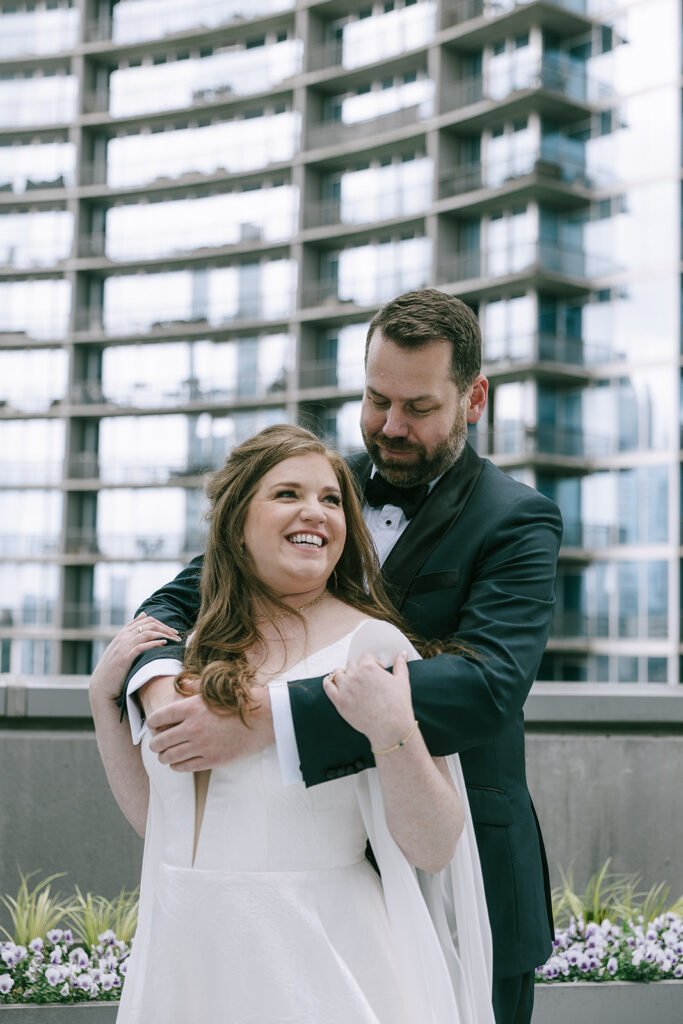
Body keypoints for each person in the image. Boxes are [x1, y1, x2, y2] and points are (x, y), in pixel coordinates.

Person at [122, 288, 563, 1024]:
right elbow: (175, 605)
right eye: (374, 398)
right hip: (303, 888)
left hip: (462, 865)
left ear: (473, 398)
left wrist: (267, 718)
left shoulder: (517, 520)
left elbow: (486, 685)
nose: (389, 426)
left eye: (418, 407)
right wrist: (160, 692)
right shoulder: (316, 489)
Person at [90, 424, 494, 1023]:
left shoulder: (370, 645)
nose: (317, 512)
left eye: (332, 499)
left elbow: (435, 848)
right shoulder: (198, 642)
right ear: (237, 523)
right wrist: (104, 703)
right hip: (180, 953)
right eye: (288, 494)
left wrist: (393, 732)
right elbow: (166, 826)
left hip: (313, 969)